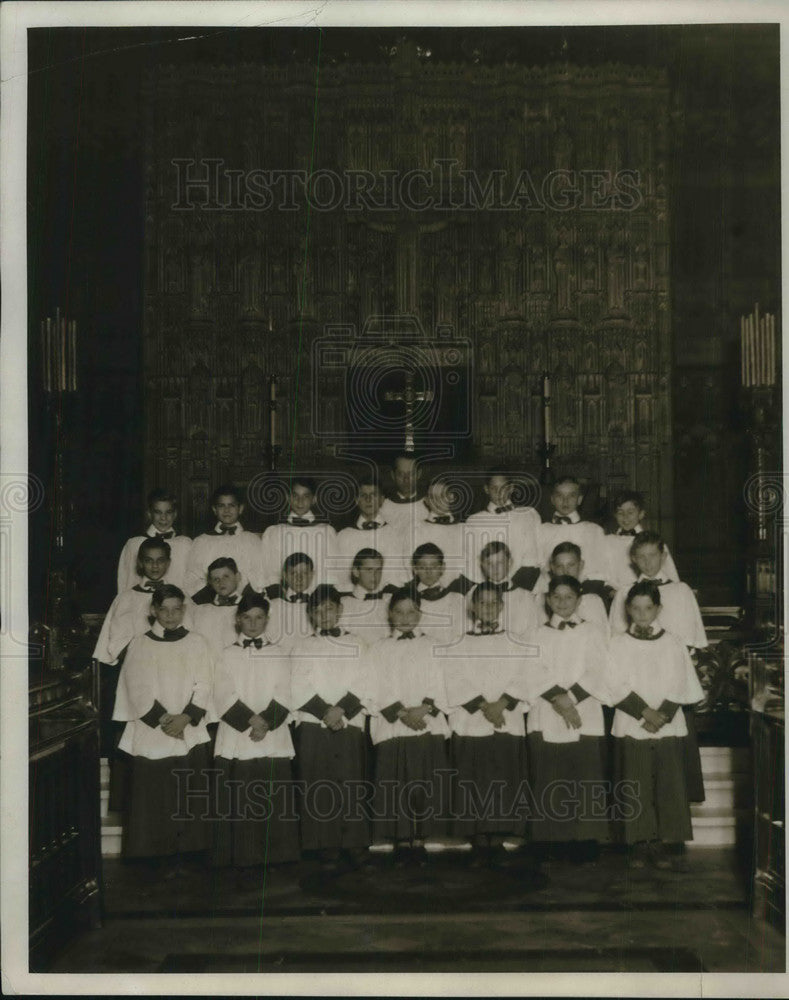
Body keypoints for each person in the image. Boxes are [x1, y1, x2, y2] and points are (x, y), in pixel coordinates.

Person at [112, 585, 213, 868]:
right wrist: (165, 721)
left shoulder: (197, 642)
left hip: (187, 727)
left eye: (176, 609)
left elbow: (204, 683)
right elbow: (137, 688)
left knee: (185, 792)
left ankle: (188, 852)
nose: (170, 615)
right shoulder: (140, 643)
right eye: (164, 609)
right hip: (153, 730)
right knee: (154, 794)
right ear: (154, 610)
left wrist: (186, 717)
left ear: (184, 609)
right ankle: (151, 855)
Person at [605, 581, 704, 870]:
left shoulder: (673, 642)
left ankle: (663, 841)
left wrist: (663, 713)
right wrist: (643, 711)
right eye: (635, 608)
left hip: (666, 722)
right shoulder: (617, 643)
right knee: (635, 782)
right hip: (634, 719)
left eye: (648, 607)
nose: (642, 613)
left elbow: (682, 680)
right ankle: (639, 842)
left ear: (658, 608)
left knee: (666, 783)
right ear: (627, 609)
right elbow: (612, 682)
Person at [441, 582, 536, 868]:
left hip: (506, 718)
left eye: (494, 603)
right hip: (472, 721)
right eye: (482, 603)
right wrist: (484, 706)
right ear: (473, 608)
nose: (489, 608)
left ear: (502, 607)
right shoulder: (460, 643)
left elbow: (526, 675)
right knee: (474, 779)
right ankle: (479, 841)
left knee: (504, 779)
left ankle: (498, 839)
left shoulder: (517, 641)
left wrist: (502, 704)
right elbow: (454, 679)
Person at [608, 530, 707, 804]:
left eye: (653, 555)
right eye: (641, 556)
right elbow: (616, 640)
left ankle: (671, 813)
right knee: (635, 764)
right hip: (635, 688)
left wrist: (666, 708)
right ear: (632, 559)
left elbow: (691, 639)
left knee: (671, 762)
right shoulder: (625, 593)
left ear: (663, 556)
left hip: (671, 688)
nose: (648, 562)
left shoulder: (681, 590)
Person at [211, 592, 299, 868]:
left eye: (259, 617)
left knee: (273, 794)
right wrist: (251, 720)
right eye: (247, 618)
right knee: (242, 796)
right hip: (239, 734)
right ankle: (243, 857)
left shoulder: (280, 653)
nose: (253, 623)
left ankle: (278, 856)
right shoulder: (225, 655)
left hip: (272, 733)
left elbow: (286, 690)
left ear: (267, 620)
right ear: (238, 620)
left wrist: (266, 722)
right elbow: (223, 692)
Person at [527, 575, 610, 860]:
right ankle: (550, 841)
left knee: (583, 776)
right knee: (549, 775)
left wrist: (571, 699)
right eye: (557, 597)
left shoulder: (594, 632)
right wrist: (558, 699)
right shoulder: (536, 634)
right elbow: (532, 671)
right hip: (546, 710)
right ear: (548, 599)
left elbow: (599, 669)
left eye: (569, 597)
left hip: (584, 710)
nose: (562, 603)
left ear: (579, 600)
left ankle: (584, 840)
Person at [366, 590, 450, 866]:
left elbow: (442, 682)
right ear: (390, 614)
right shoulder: (378, 649)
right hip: (394, 725)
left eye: (411, 612)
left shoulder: (434, 645)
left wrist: (423, 709)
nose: (405, 618)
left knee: (423, 783)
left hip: (426, 722)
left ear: (420, 614)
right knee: (396, 784)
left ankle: (420, 839)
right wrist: (401, 713)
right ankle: (401, 840)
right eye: (399, 612)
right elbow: (373, 686)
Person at [289, 585, 371, 870]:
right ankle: (325, 847)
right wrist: (325, 712)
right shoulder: (302, 646)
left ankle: (354, 845)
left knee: (350, 783)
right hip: (315, 724)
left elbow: (365, 680)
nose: (324, 614)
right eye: (318, 609)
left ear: (340, 610)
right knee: (318, 784)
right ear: (310, 614)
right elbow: (298, 685)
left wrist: (341, 711)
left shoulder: (359, 643)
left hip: (348, 722)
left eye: (330, 608)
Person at [330, 476, 409, 588]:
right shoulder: (344, 535)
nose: (368, 499)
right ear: (356, 500)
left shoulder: (395, 533)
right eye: (363, 495)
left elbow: (401, 575)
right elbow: (340, 576)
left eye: (373, 495)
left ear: (382, 499)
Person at [464, 468, 541, 583]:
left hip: (523, 584)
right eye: (494, 488)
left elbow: (533, 556)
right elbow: (473, 560)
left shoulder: (528, 515)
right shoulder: (474, 521)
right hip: (487, 587)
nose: (499, 492)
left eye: (503, 487)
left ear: (511, 488)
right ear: (486, 489)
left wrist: (516, 588)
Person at [258, 476, 335, 590]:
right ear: (288, 498)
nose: (300, 501)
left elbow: (330, 572)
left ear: (314, 499)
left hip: (317, 597)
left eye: (306, 496)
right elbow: (267, 571)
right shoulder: (274, 532)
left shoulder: (326, 532)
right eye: (295, 496)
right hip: (284, 597)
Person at [183, 484, 260, 597]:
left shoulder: (252, 540)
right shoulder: (202, 541)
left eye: (232, 505)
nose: (226, 510)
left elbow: (259, 575)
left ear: (241, 508)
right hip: (210, 604)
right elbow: (192, 577)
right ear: (214, 509)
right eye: (221, 506)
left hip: (245, 603)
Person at [537, 476, 609, 587]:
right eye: (559, 496)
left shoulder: (593, 530)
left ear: (579, 499)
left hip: (585, 590)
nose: (565, 501)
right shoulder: (542, 530)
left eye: (571, 496)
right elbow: (540, 567)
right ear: (552, 499)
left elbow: (599, 570)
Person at [116, 488, 192, 593]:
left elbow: (192, 581)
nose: (163, 518)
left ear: (175, 514)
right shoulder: (134, 544)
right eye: (158, 512)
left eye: (168, 512)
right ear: (149, 514)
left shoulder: (185, 544)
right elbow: (125, 582)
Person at [603, 490, 679, 590]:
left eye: (630, 512)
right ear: (615, 515)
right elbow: (604, 575)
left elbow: (671, 575)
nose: (625, 517)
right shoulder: (607, 541)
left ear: (641, 514)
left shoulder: (653, 542)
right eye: (620, 512)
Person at [534, 542, 610, 634]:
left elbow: (602, 638)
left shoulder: (593, 601)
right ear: (552, 567)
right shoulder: (542, 600)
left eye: (571, 565)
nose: (565, 571)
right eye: (559, 566)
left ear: (581, 565)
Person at [407, 475, 469, 586]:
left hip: (458, 590)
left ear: (451, 497)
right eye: (433, 496)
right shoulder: (417, 529)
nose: (438, 501)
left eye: (442, 495)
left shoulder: (464, 529)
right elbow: (410, 566)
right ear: (426, 500)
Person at [473, 541, 540, 641]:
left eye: (499, 562)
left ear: (509, 563)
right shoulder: (474, 594)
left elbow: (532, 632)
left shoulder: (525, 597)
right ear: (482, 565)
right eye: (489, 563)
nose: (494, 568)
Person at [406, 542, 470, 646]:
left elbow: (461, 631)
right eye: (422, 567)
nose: (428, 572)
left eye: (434, 566)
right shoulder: (409, 600)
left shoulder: (456, 598)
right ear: (415, 569)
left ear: (442, 568)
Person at [191, 557, 251, 665]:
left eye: (226, 577)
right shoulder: (203, 610)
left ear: (238, 577)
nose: (221, 582)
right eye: (216, 579)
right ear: (211, 584)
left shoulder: (249, 608)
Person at [337, 548, 396, 647]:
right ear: (356, 571)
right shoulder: (343, 604)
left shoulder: (390, 601)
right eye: (369, 570)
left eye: (378, 570)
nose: (374, 575)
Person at [264, 552, 316, 651]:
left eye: (304, 573)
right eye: (293, 573)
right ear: (285, 575)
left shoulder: (318, 605)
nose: (299, 579)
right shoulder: (273, 605)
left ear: (312, 575)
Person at [378, 454, 427, 531]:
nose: (406, 480)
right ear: (393, 475)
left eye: (410, 474)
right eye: (401, 474)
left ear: (418, 474)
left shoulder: (430, 504)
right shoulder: (382, 506)